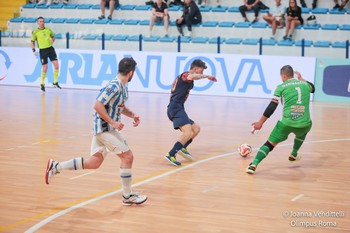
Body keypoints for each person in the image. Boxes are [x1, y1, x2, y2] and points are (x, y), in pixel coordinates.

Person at [45, 57, 148, 205]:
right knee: (127, 157)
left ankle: (56, 166)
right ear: (131, 72)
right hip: (105, 128)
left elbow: (120, 106)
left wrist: (133, 115)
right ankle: (127, 196)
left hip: (107, 128)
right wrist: (113, 122)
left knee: (94, 162)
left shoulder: (123, 86)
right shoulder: (114, 86)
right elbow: (97, 105)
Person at [246, 65, 315, 174]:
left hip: (286, 124)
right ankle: (294, 153)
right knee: (304, 129)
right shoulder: (305, 85)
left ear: (283, 76)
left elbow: (272, 106)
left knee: (269, 144)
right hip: (304, 124)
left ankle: (253, 164)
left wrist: (261, 122)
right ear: (293, 74)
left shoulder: (281, 87)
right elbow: (313, 87)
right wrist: (301, 79)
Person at [165, 59, 217, 166]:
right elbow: (192, 76)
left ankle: (182, 147)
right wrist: (207, 76)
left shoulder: (189, 80)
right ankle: (171, 154)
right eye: (201, 71)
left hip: (179, 107)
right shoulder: (186, 75)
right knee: (187, 132)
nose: (202, 73)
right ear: (195, 69)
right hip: (175, 108)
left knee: (196, 128)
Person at [31, 16, 61, 92]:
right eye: (40, 21)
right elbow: (32, 41)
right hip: (43, 50)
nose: (42, 23)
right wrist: (33, 50)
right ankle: (42, 83)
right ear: (38, 23)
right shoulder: (35, 32)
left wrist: (52, 40)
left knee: (56, 66)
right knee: (45, 67)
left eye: (43, 21)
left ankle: (55, 82)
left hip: (50, 49)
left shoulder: (48, 30)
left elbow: (53, 37)